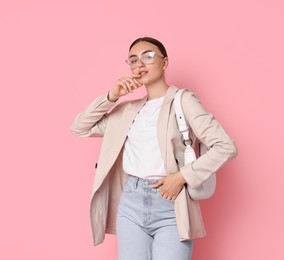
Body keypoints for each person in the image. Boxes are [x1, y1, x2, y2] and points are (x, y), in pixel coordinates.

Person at [70, 37, 237, 260]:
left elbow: (225, 146)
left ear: (165, 62)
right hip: (130, 201)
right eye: (133, 60)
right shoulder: (128, 110)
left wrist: (181, 177)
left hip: (170, 202)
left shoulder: (183, 101)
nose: (140, 64)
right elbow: (80, 127)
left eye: (148, 56)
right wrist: (112, 97)